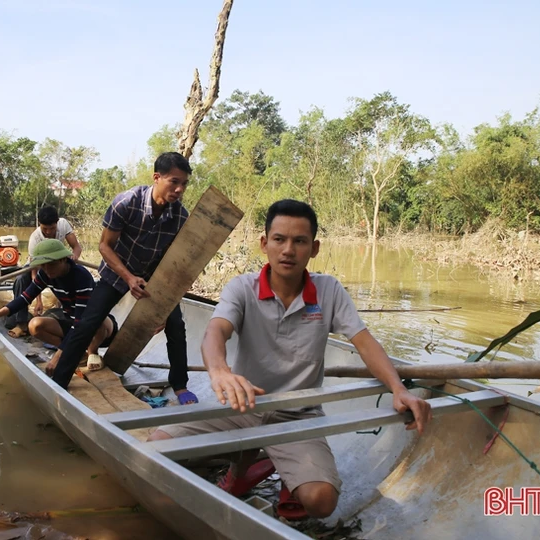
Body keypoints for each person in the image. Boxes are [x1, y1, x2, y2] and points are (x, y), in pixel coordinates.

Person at [148, 199, 433, 518]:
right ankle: (252, 461)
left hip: (297, 414)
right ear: (264, 243)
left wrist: (398, 388)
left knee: (321, 501)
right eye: (279, 239)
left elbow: (364, 343)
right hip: (241, 405)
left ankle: (283, 465)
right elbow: (216, 331)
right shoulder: (242, 288)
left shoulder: (329, 291)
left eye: (299, 241)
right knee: (156, 447)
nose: (288, 250)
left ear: (314, 248)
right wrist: (219, 371)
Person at [49, 151, 197, 405]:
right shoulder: (127, 203)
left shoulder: (180, 216)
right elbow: (105, 246)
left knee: (176, 326)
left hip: (153, 278)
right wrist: (129, 277)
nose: (179, 189)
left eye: (184, 184)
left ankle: (180, 385)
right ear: (156, 178)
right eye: (174, 181)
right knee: (87, 323)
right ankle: (59, 382)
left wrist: (163, 305)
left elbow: (175, 263)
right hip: (118, 273)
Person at [0, 239, 115, 372]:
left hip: (91, 326)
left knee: (99, 321)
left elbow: (80, 322)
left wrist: (56, 358)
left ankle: (92, 352)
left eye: (51, 264)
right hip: (70, 320)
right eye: (43, 265)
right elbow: (25, 298)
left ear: (63, 260)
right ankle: (77, 354)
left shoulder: (81, 276)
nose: (46, 269)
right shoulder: (45, 274)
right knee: (34, 325)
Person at [6, 205, 82, 337]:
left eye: (52, 228)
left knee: (74, 278)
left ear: (57, 223)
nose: (48, 232)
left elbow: (76, 247)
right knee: (21, 279)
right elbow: (34, 273)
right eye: (44, 228)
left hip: (58, 264)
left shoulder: (63, 224)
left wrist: (73, 258)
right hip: (39, 266)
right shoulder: (34, 239)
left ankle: (70, 316)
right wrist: (39, 301)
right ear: (39, 224)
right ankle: (21, 322)